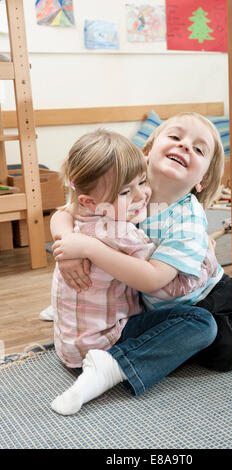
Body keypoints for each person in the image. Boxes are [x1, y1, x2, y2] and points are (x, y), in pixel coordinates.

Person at [53, 112, 232, 376]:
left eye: (198, 149)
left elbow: (153, 279)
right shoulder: (122, 193)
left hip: (214, 290)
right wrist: (68, 245)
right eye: (175, 137)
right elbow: (65, 212)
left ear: (201, 180)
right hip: (174, 313)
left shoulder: (187, 217)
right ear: (147, 152)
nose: (184, 146)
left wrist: (87, 248)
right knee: (230, 352)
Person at [50, 127, 217, 415]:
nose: (142, 195)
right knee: (201, 323)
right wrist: (204, 259)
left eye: (142, 182)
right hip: (104, 343)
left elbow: (60, 213)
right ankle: (113, 367)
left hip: (69, 345)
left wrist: (68, 242)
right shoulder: (124, 235)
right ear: (90, 201)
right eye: (127, 191)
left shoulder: (82, 212)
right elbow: (161, 287)